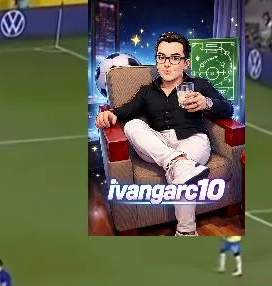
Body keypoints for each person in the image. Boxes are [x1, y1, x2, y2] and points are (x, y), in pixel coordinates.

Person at [95, 32, 235, 236]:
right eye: (162, 57)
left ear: (186, 63)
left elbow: (228, 108)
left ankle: (185, 232)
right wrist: (109, 113)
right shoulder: (147, 91)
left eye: (175, 58)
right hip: (158, 146)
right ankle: (177, 163)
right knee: (132, 125)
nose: (167, 64)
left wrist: (207, 102)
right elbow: (125, 111)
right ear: (157, 61)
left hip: (193, 140)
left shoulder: (200, 85)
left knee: (184, 169)